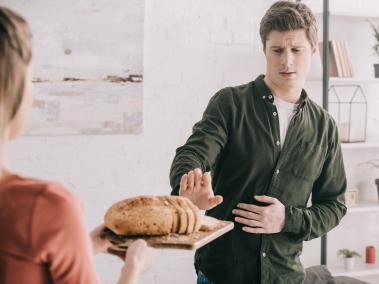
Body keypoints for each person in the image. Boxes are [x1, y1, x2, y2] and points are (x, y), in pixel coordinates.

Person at [169, 1, 347, 284]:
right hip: (222, 275)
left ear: (313, 52)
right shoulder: (230, 104)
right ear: (264, 50)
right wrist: (187, 186)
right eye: (277, 50)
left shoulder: (325, 127)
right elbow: (194, 152)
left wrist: (287, 220)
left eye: (296, 50)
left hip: (284, 276)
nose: (286, 61)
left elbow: (334, 205)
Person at [0, 6, 155, 284]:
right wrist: (133, 268)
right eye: (31, 77)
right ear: (12, 87)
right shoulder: (46, 206)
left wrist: (82, 246)